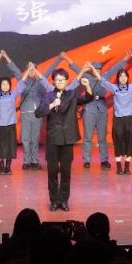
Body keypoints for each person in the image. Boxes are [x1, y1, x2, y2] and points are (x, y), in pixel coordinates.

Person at [35, 67, 94, 212]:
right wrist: (51, 105)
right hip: (53, 138)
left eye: (62, 80)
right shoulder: (48, 96)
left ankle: (64, 200)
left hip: (68, 137)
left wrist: (87, 86)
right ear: (53, 82)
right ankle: (54, 201)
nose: (60, 82)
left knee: (66, 172)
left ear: (67, 81)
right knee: (53, 172)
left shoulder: (72, 94)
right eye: (57, 80)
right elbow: (38, 112)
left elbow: (88, 98)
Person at [63, 51, 129, 170]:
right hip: (89, 108)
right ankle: (87, 160)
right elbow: (76, 68)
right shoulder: (86, 76)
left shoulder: (105, 76)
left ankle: (104, 160)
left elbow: (115, 68)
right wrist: (66, 58)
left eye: (99, 69)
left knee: (102, 137)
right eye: (95, 69)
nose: (98, 71)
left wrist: (126, 58)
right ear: (91, 70)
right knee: (88, 137)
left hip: (102, 109)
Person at [93, 59, 132, 175]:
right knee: (118, 141)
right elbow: (101, 79)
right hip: (118, 119)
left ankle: (127, 167)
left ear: (127, 77)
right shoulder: (114, 88)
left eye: (125, 76)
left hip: (129, 119)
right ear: (118, 78)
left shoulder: (131, 87)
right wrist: (93, 69)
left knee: (130, 141)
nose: (123, 78)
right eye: (121, 76)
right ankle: (119, 167)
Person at [5, 56, 57, 170]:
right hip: (25, 113)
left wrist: (59, 59)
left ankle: (34, 161)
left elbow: (49, 70)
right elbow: (15, 70)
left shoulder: (41, 81)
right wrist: (6, 57)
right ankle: (26, 161)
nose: (31, 70)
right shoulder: (23, 80)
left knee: (35, 138)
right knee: (25, 138)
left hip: (37, 113)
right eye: (29, 69)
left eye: (33, 68)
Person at [0, 50, 26, 174]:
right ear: (0, 86)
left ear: (10, 85)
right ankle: (1, 167)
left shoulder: (13, 94)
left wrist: (7, 58)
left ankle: (8, 167)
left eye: (7, 84)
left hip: (10, 126)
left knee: (10, 147)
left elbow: (22, 82)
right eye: (3, 84)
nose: (5, 86)